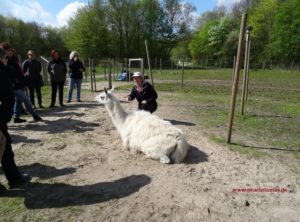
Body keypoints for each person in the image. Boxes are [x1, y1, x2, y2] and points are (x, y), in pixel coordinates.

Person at [0, 47, 31, 190]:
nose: (7, 60)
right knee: (5, 148)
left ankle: (14, 178)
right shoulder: (2, 72)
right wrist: (5, 117)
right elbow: (7, 96)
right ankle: (14, 178)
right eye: (6, 58)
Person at [2, 43, 42, 123]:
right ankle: (34, 115)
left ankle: (16, 117)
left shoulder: (14, 60)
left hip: (19, 84)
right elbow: (7, 74)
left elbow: (20, 72)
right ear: (4, 51)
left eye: (11, 50)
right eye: (8, 51)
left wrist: (23, 83)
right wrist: (13, 82)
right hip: (12, 86)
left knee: (18, 100)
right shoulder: (4, 61)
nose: (10, 52)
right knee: (26, 99)